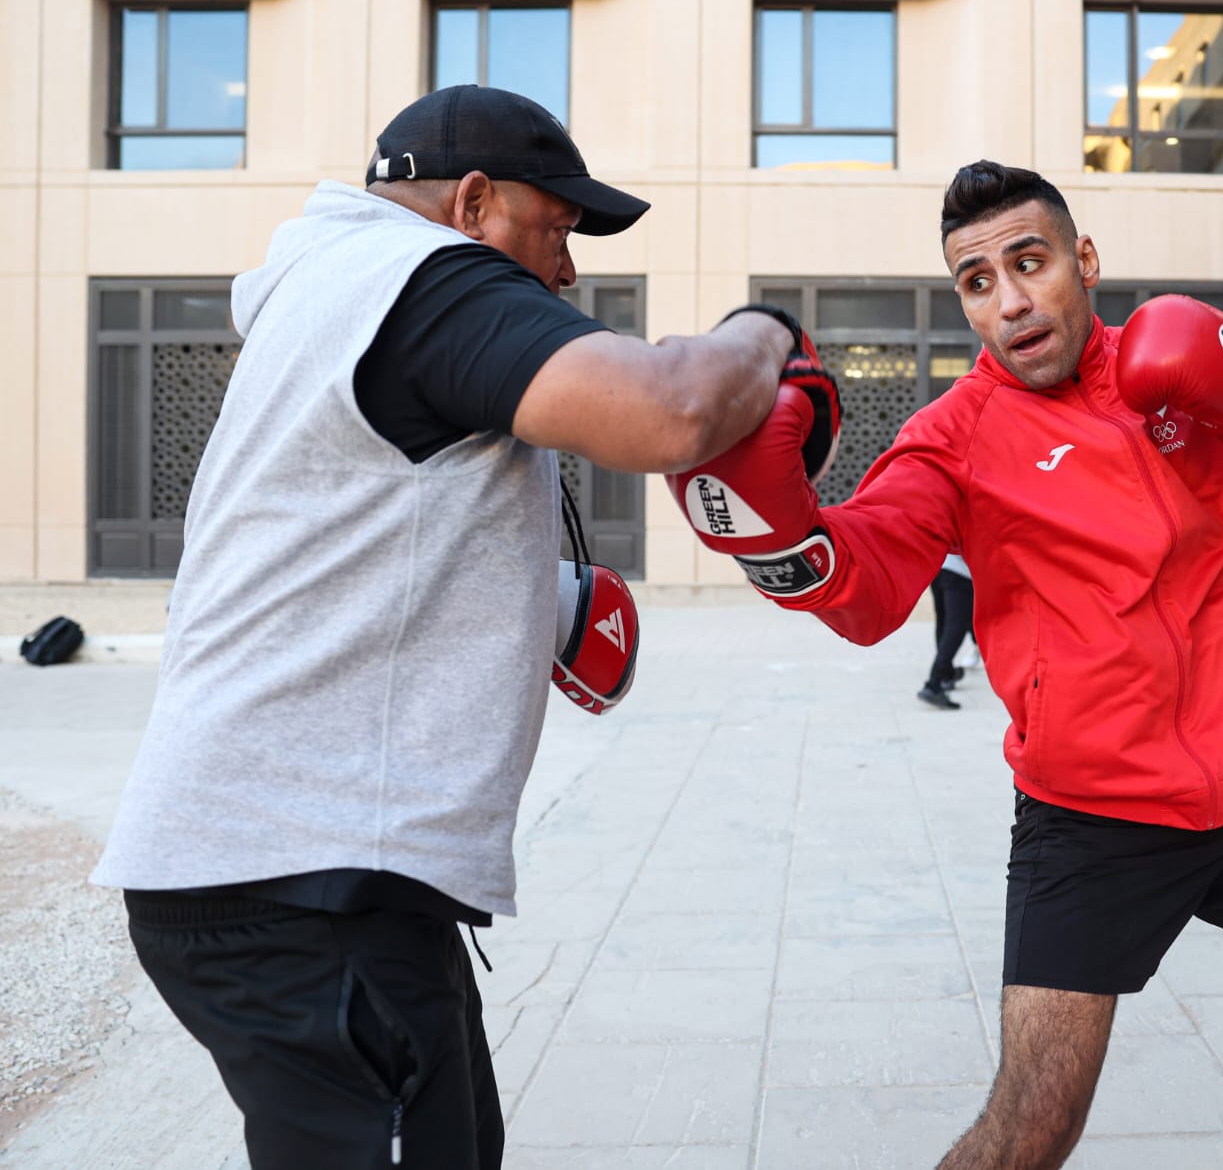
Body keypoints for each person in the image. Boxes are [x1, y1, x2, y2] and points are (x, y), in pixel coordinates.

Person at [666, 161, 1223, 1170]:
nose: (1008, 301)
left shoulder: (1179, 372)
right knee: (1032, 1125)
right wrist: (784, 545)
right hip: (1092, 819)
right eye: (976, 281)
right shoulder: (949, 440)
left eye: (1028, 263)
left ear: (1082, 262)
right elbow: (865, 592)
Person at [89, 85, 825, 1170]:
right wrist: (768, 333)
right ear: (475, 203)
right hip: (301, 883)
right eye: (559, 229)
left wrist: (527, 603)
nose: (568, 269)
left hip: (309, 878)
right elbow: (671, 410)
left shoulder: (332, 293)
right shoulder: (421, 280)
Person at [919, 552, 974, 709]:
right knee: (956, 625)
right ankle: (934, 683)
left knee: (943, 621)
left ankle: (946, 673)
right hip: (959, 570)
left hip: (938, 566)